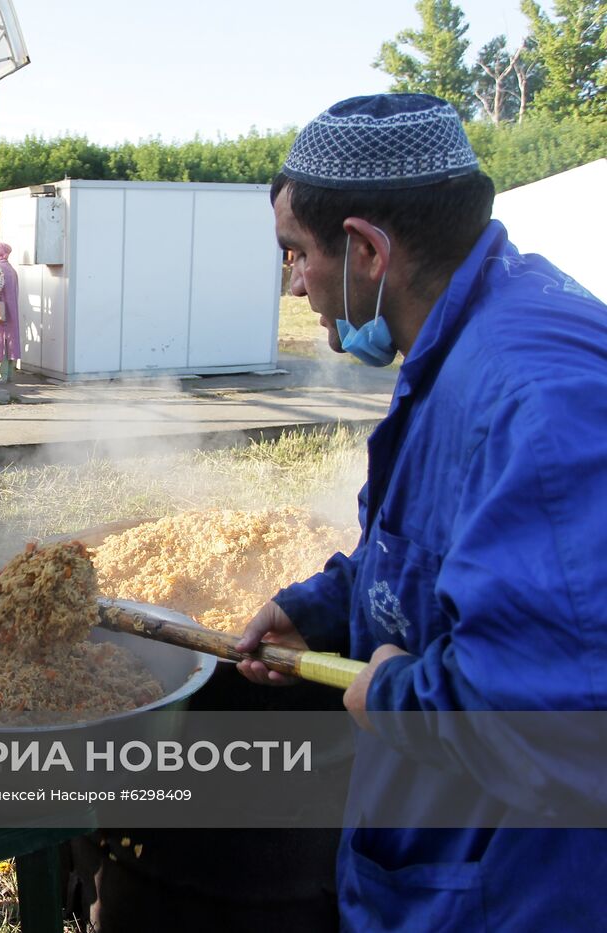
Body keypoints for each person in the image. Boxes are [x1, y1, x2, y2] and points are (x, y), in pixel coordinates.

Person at [234, 94, 607, 930]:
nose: (295, 283)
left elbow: (559, 721)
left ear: (367, 250)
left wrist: (395, 692)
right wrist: (322, 606)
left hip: (519, 891)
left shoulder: (540, 405)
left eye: (297, 254)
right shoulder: (471, 333)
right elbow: (432, 550)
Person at [0, 242, 20, 382]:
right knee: (11, 339)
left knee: (0, 339)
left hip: (1, 310)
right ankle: (9, 374)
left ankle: (0, 374)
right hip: (12, 309)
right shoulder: (11, 269)